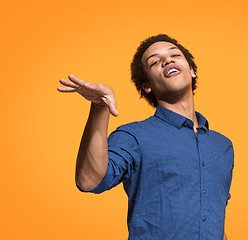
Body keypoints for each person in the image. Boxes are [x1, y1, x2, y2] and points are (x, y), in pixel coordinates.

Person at [57, 34, 234, 240]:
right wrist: (99, 108)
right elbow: (88, 180)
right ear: (147, 86)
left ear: (192, 71)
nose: (167, 60)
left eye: (175, 54)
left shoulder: (223, 145)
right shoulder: (133, 136)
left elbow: (216, 216)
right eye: (155, 62)